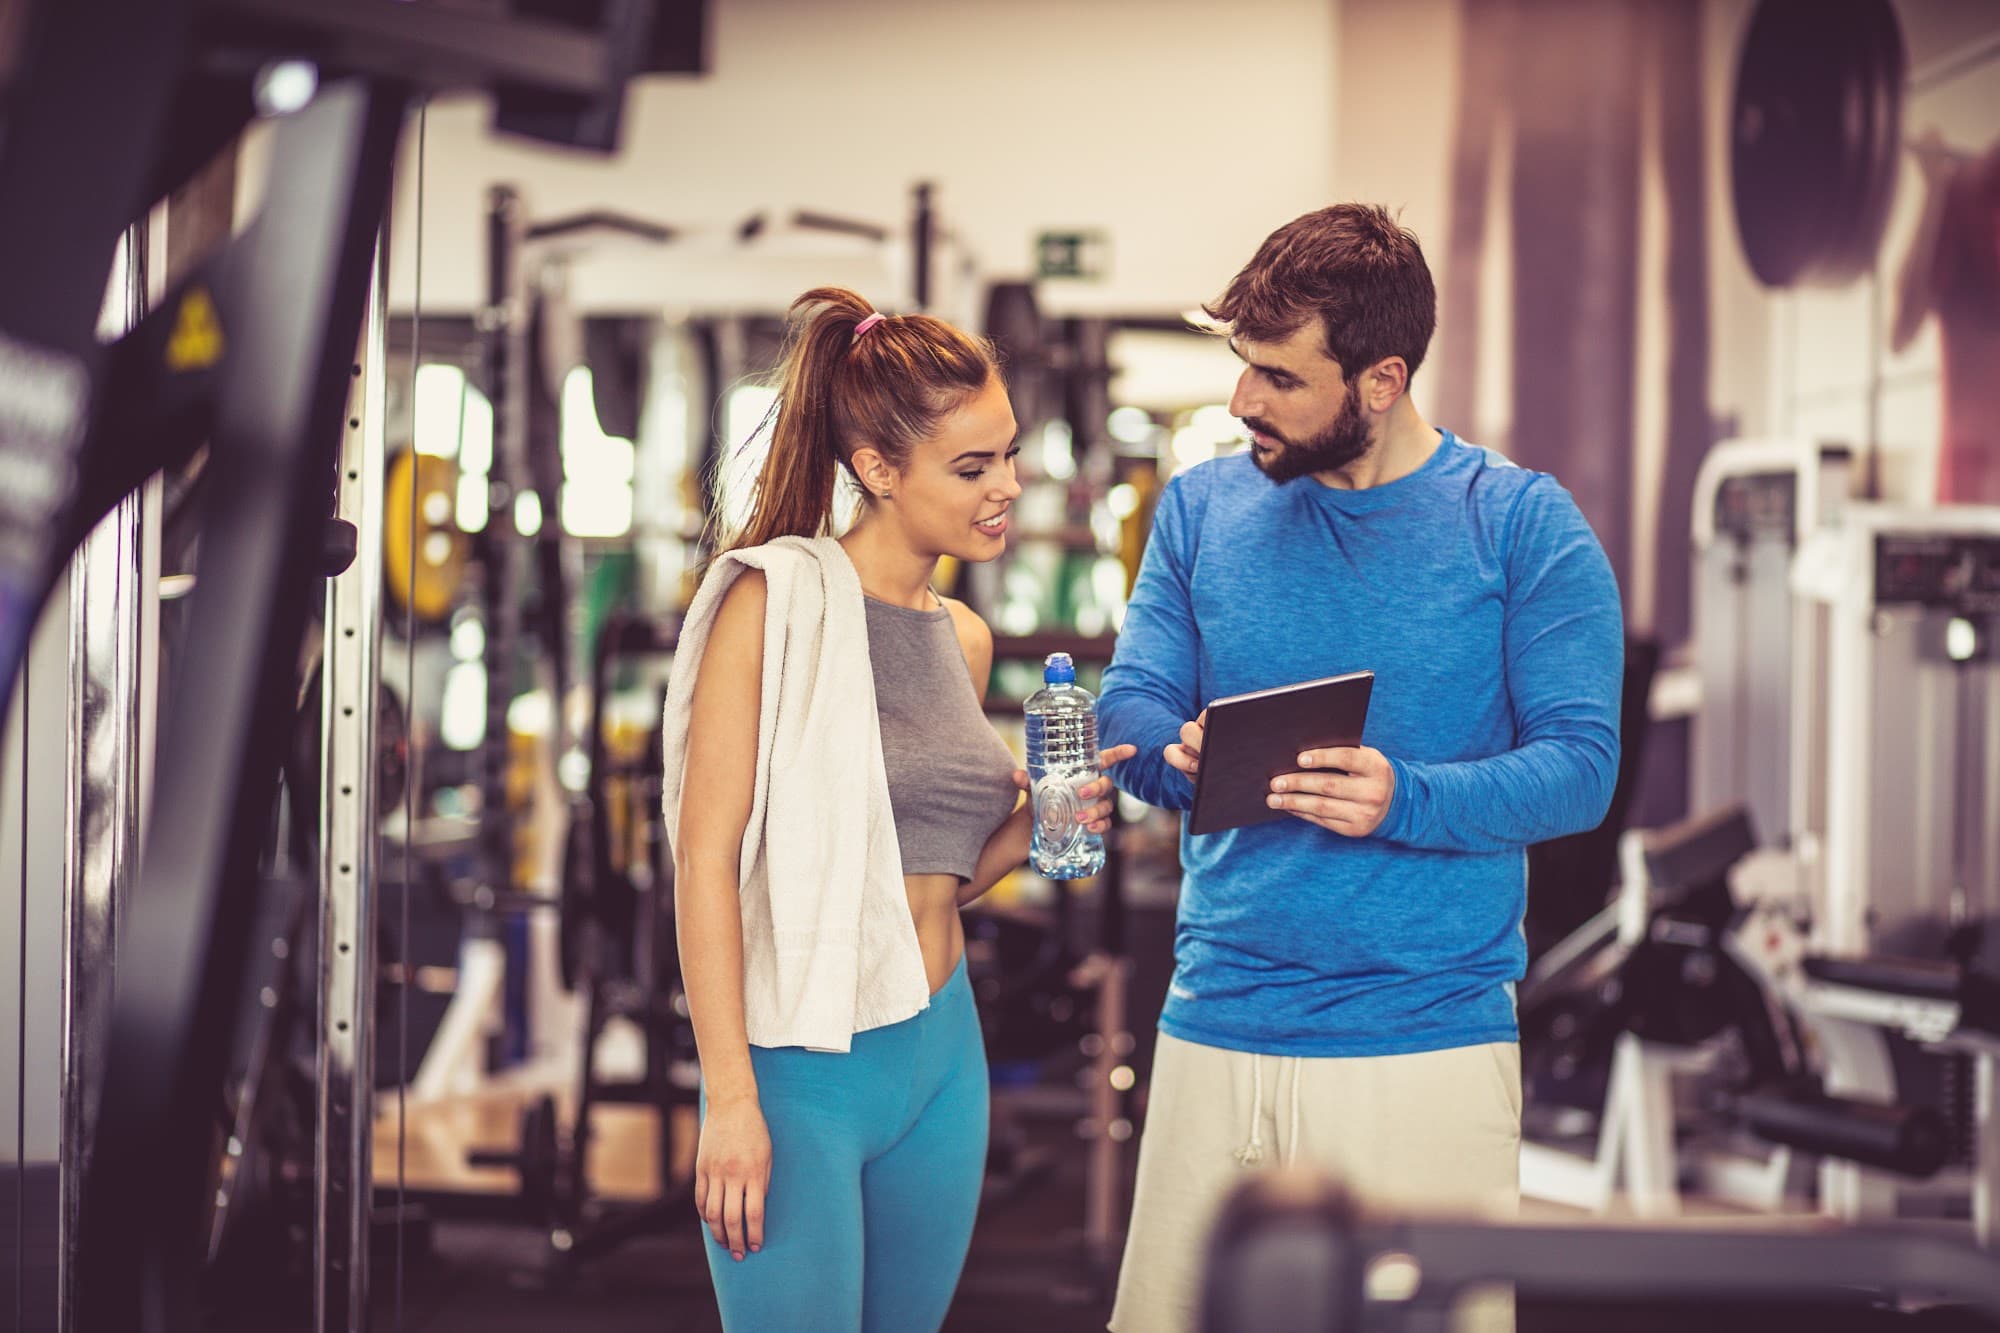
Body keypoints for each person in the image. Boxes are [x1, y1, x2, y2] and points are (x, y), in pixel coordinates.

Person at [1097, 205, 1624, 1332]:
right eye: (1241, 367)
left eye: (1278, 378)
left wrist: (1406, 796)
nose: (1243, 401)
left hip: (1423, 1042)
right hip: (1215, 1021)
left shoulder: (1519, 525)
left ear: (1379, 381)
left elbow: (1580, 768)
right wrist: (1177, 754)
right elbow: (1128, 707)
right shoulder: (1197, 509)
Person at [661, 286, 1134, 1333]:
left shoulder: (961, 637)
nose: (1004, 487)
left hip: (939, 1055)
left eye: (1008, 454)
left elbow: (930, 876)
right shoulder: (770, 605)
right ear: (877, 470)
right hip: (799, 1072)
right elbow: (703, 863)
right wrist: (729, 1095)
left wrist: (1050, 818)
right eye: (972, 468)